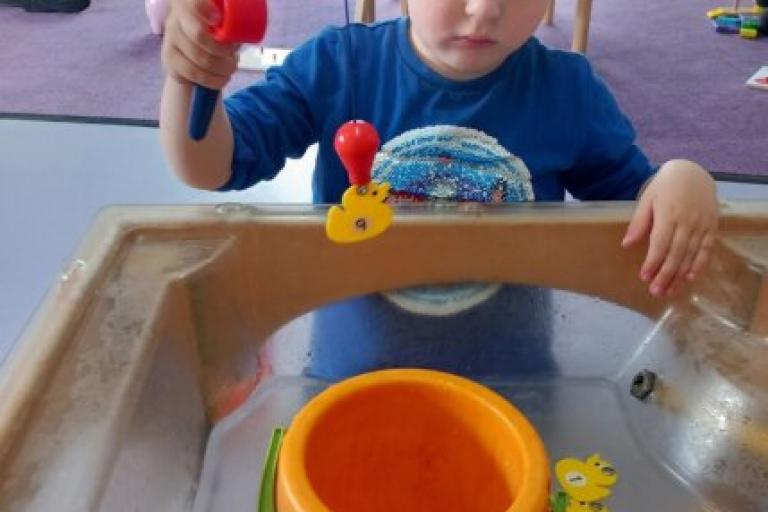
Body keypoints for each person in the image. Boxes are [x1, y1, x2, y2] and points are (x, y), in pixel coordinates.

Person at [160, 0, 718, 378]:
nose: (485, 10)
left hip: (513, 382)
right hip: (352, 374)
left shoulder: (568, 90)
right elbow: (211, 165)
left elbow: (632, 204)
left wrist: (679, 178)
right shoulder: (339, 64)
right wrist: (191, 76)